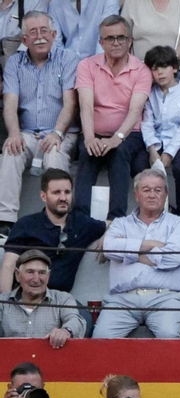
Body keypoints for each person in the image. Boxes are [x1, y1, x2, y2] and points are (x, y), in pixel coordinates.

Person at [0, 12, 81, 235]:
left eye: (44, 31)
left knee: (54, 153)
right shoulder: (14, 63)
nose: (39, 37)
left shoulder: (68, 59)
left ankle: (59, 220)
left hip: (61, 132)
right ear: (23, 39)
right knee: (11, 150)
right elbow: (10, 104)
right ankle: (5, 221)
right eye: (32, 32)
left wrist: (56, 133)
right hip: (27, 132)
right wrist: (14, 133)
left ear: (54, 34)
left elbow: (70, 104)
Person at [74, 16, 153, 221]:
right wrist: (90, 138)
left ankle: (115, 219)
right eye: (110, 39)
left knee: (119, 153)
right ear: (101, 42)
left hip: (129, 133)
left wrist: (116, 138)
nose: (116, 43)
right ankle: (80, 218)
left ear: (130, 41)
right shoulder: (87, 66)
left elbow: (135, 111)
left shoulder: (142, 70)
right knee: (86, 152)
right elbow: (86, 105)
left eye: (121, 38)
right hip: (95, 130)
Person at [95, 169, 180, 338]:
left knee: (170, 338)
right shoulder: (120, 223)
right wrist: (152, 245)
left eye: (158, 190)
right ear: (136, 194)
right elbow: (108, 248)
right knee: (100, 339)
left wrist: (129, 252)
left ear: (166, 194)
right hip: (122, 300)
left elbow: (173, 258)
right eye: (146, 190)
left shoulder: (179, 224)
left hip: (164, 299)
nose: (152, 195)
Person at [0, 170, 103, 294]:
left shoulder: (82, 223)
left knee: (84, 314)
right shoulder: (26, 224)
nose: (63, 198)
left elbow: (111, 224)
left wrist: (107, 235)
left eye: (67, 192)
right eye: (56, 193)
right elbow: (8, 265)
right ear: (43, 196)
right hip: (27, 296)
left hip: (61, 300)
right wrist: (6, 304)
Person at [138, 46, 180, 218]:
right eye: (155, 69)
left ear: (175, 68)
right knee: (139, 166)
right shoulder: (149, 94)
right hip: (157, 140)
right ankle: (153, 210)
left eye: (164, 67)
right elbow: (146, 123)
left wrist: (170, 152)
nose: (160, 73)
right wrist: (152, 149)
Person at [0, 249, 84, 345]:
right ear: (18, 275)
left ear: (48, 276)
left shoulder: (62, 299)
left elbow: (76, 320)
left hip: (51, 359)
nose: (36, 279)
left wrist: (66, 331)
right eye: (30, 272)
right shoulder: (3, 302)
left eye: (42, 273)